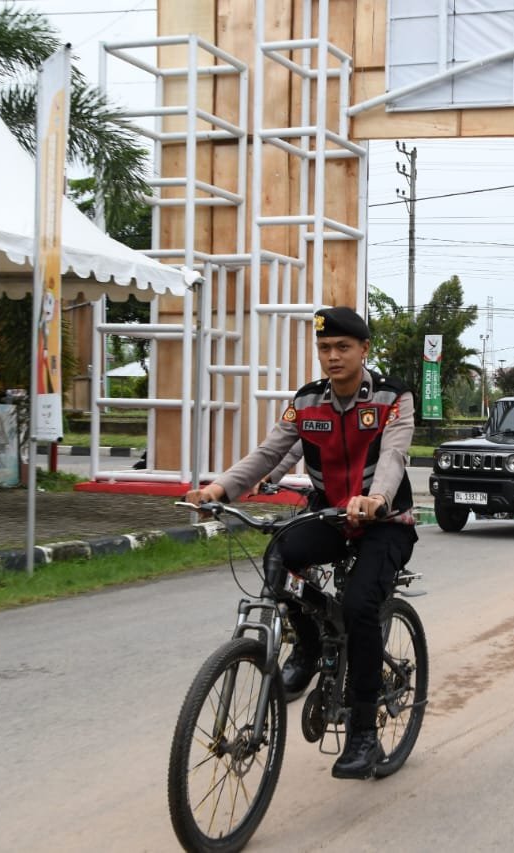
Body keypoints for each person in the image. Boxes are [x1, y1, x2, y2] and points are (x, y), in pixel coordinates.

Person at [185, 306, 417, 781]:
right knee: (280, 554)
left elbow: (394, 455)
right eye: (324, 348)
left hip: (385, 521)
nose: (333, 357)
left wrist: (375, 500)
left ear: (364, 349)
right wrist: (219, 489)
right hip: (331, 515)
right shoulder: (307, 400)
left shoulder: (394, 396)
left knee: (359, 605)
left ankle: (362, 733)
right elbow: (270, 451)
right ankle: (308, 648)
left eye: (343, 347)